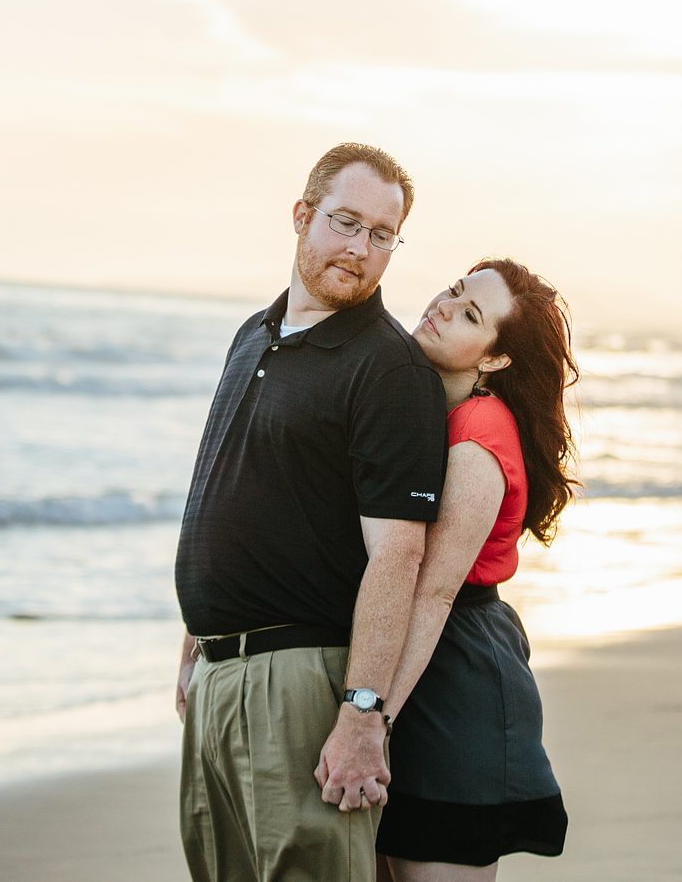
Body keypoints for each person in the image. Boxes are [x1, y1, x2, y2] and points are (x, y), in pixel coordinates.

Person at [174, 143, 449, 882]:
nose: (360, 248)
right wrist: (196, 635)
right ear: (302, 215)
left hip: (302, 686)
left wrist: (362, 715)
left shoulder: (388, 369)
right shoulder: (251, 336)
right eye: (345, 222)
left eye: (381, 234)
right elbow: (232, 485)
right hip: (219, 676)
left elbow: (400, 556)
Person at [376, 258, 577, 879]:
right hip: (414, 655)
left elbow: (433, 593)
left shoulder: (478, 433)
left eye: (470, 314)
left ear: (494, 359)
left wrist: (371, 719)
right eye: (454, 291)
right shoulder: (426, 405)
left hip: (454, 672)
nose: (443, 305)